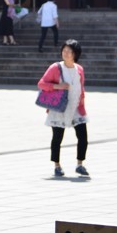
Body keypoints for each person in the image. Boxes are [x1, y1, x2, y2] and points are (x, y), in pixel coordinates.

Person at [38, 39, 89, 178]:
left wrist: (82, 102)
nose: (65, 53)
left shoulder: (79, 69)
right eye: (64, 50)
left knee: (83, 136)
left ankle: (80, 164)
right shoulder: (55, 68)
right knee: (57, 137)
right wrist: (58, 86)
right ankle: (57, 165)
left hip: (76, 107)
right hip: (59, 107)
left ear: (75, 54)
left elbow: (81, 86)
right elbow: (42, 84)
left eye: (69, 51)